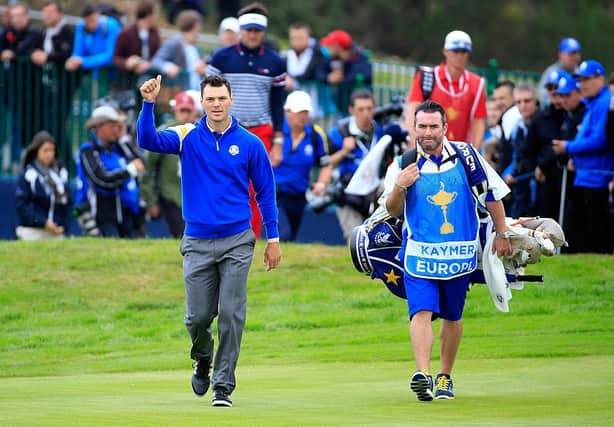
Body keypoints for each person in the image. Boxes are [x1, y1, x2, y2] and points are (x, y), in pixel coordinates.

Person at [137, 74, 281, 407]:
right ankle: (203, 358)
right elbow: (148, 140)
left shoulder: (249, 143)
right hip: (197, 241)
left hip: (237, 240)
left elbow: (265, 191)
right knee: (197, 318)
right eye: (210, 99)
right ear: (202, 102)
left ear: (231, 100)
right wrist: (148, 104)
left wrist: (272, 238)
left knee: (231, 312)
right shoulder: (187, 135)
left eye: (221, 98)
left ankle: (223, 385)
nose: (216, 104)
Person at [383, 100, 511, 401]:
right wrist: (400, 186)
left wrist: (502, 232)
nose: (427, 133)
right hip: (419, 255)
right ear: (414, 128)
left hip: (459, 255)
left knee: (453, 316)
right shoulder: (403, 163)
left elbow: (492, 195)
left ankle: (445, 376)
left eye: (433, 126)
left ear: (445, 128)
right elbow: (391, 210)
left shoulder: (467, 156)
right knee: (421, 311)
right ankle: (423, 375)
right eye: (422, 126)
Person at [206, 2, 286, 238]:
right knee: (221, 183)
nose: (252, 35)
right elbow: (209, 97)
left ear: (263, 32)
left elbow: (277, 103)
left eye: (257, 31)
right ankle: (220, 233)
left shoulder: (275, 62)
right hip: (224, 130)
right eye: (248, 30)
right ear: (241, 30)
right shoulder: (222, 58)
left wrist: (279, 142)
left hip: (260, 131)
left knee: (256, 187)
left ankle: (249, 237)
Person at [552, 60, 613, 253]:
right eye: (580, 79)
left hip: (597, 179)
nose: (582, 84)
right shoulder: (593, 103)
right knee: (581, 234)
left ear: (600, 79)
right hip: (585, 177)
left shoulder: (604, 103)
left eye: (586, 79)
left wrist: (568, 147)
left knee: (594, 238)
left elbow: (600, 140)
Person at [404, 30, 487, 149]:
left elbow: (478, 123)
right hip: (428, 148)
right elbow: (413, 113)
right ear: (445, 51)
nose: (460, 56)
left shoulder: (477, 84)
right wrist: (415, 149)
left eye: (464, 52)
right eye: (455, 51)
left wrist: (473, 154)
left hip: (459, 152)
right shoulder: (426, 77)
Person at [76, 106, 145, 238]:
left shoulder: (118, 148)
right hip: (102, 217)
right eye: (113, 125)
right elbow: (102, 180)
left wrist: (124, 140)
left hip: (127, 213)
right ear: (99, 127)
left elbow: (140, 162)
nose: (117, 129)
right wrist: (129, 171)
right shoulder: (88, 150)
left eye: (119, 125)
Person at [274, 91, 332, 241]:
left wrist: (321, 183)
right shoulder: (275, 131)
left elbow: (325, 164)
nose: (303, 116)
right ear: (287, 112)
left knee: (290, 237)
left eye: (305, 112)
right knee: (283, 234)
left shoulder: (315, 134)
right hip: (275, 195)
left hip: (299, 196)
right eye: (298, 111)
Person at [328, 89, 383, 241]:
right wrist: (344, 151)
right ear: (351, 110)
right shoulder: (338, 132)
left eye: (369, 109)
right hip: (348, 192)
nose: (366, 114)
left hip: (373, 190)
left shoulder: (379, 130)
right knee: (355, 241)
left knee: (377, 239)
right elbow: (326, 164)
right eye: (360, 109)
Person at [141, 91, 196, 238]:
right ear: (175, 111)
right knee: (183, 234)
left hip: (193, 194)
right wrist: (150, 200)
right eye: (182, 110)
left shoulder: (198, 133)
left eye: (188, 111)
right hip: (170, 193)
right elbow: (147, 167)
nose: (185, 115)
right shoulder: (166, 132)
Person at [30, 1, 76, 164]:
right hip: (46, 87)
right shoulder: (43, 32)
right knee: (46, 124)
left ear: (59, 14)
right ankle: (52, 160)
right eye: (44, 12)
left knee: (57, 124)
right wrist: (34, 54)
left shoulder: (68, 31)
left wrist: (48, 57)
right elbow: (33, 49)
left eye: (50, 12)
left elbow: (67, 52)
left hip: (63, 87)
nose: (46, 16)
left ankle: (67, 162)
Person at [15, 131, 70, 240]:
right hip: (32, 231)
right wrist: (43, 222)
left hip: (56, 233)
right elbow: (22, 206)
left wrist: (63, 225)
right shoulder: (28, 175)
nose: (49, 154)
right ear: (36, 152)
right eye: (45, 150)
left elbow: (68, 203)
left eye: (52, 150)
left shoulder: (60, 175)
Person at [501, 84, 539, 218]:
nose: (523, 105)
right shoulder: (518, 126)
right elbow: (516, 155)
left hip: (538, 183)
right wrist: (509, 173)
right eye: (519, 102)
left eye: (527, 101)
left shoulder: (542, 122)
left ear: (535, 101)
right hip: (521, 184)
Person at [151, 10, 205, 91]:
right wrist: (167, 66)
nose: (200, 29)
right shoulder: (173, 43)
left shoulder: (196, 48)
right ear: (195, 26)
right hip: (180, 93)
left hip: (198, 93)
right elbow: (156, 61)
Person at [65, 4, 121, 78]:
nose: (90, 25)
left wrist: (83, 61)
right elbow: (77, 51)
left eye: (92, 20)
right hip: (94, 76)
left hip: (114, 76)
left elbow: (111, 56)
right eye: (87, 22)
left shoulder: (111, 25)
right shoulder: (81, 26)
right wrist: (73, 60)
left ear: (98, 15)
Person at [112, 0, 161, 84]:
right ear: (149, 15)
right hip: (127, 84)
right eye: (155, 13)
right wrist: (127, 63)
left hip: (149, 83)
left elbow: (159, 56)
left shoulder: (155, 33)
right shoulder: (125, 33)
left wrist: (149, 64)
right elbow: (116, 58)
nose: (157, 16)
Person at [538, 37, 582, 106]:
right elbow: (543, 96)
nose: (575, 57)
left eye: (576, 53)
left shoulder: (581, 73)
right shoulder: (551, 73)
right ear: (561, 54)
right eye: (571, 54)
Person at [492, 80, 522, 174]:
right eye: (495, 99)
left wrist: (508, 172)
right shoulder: (508, 115)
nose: (498, 103)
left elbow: (514, 150)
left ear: (514, 97)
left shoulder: (511, 115)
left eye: (502, 98)